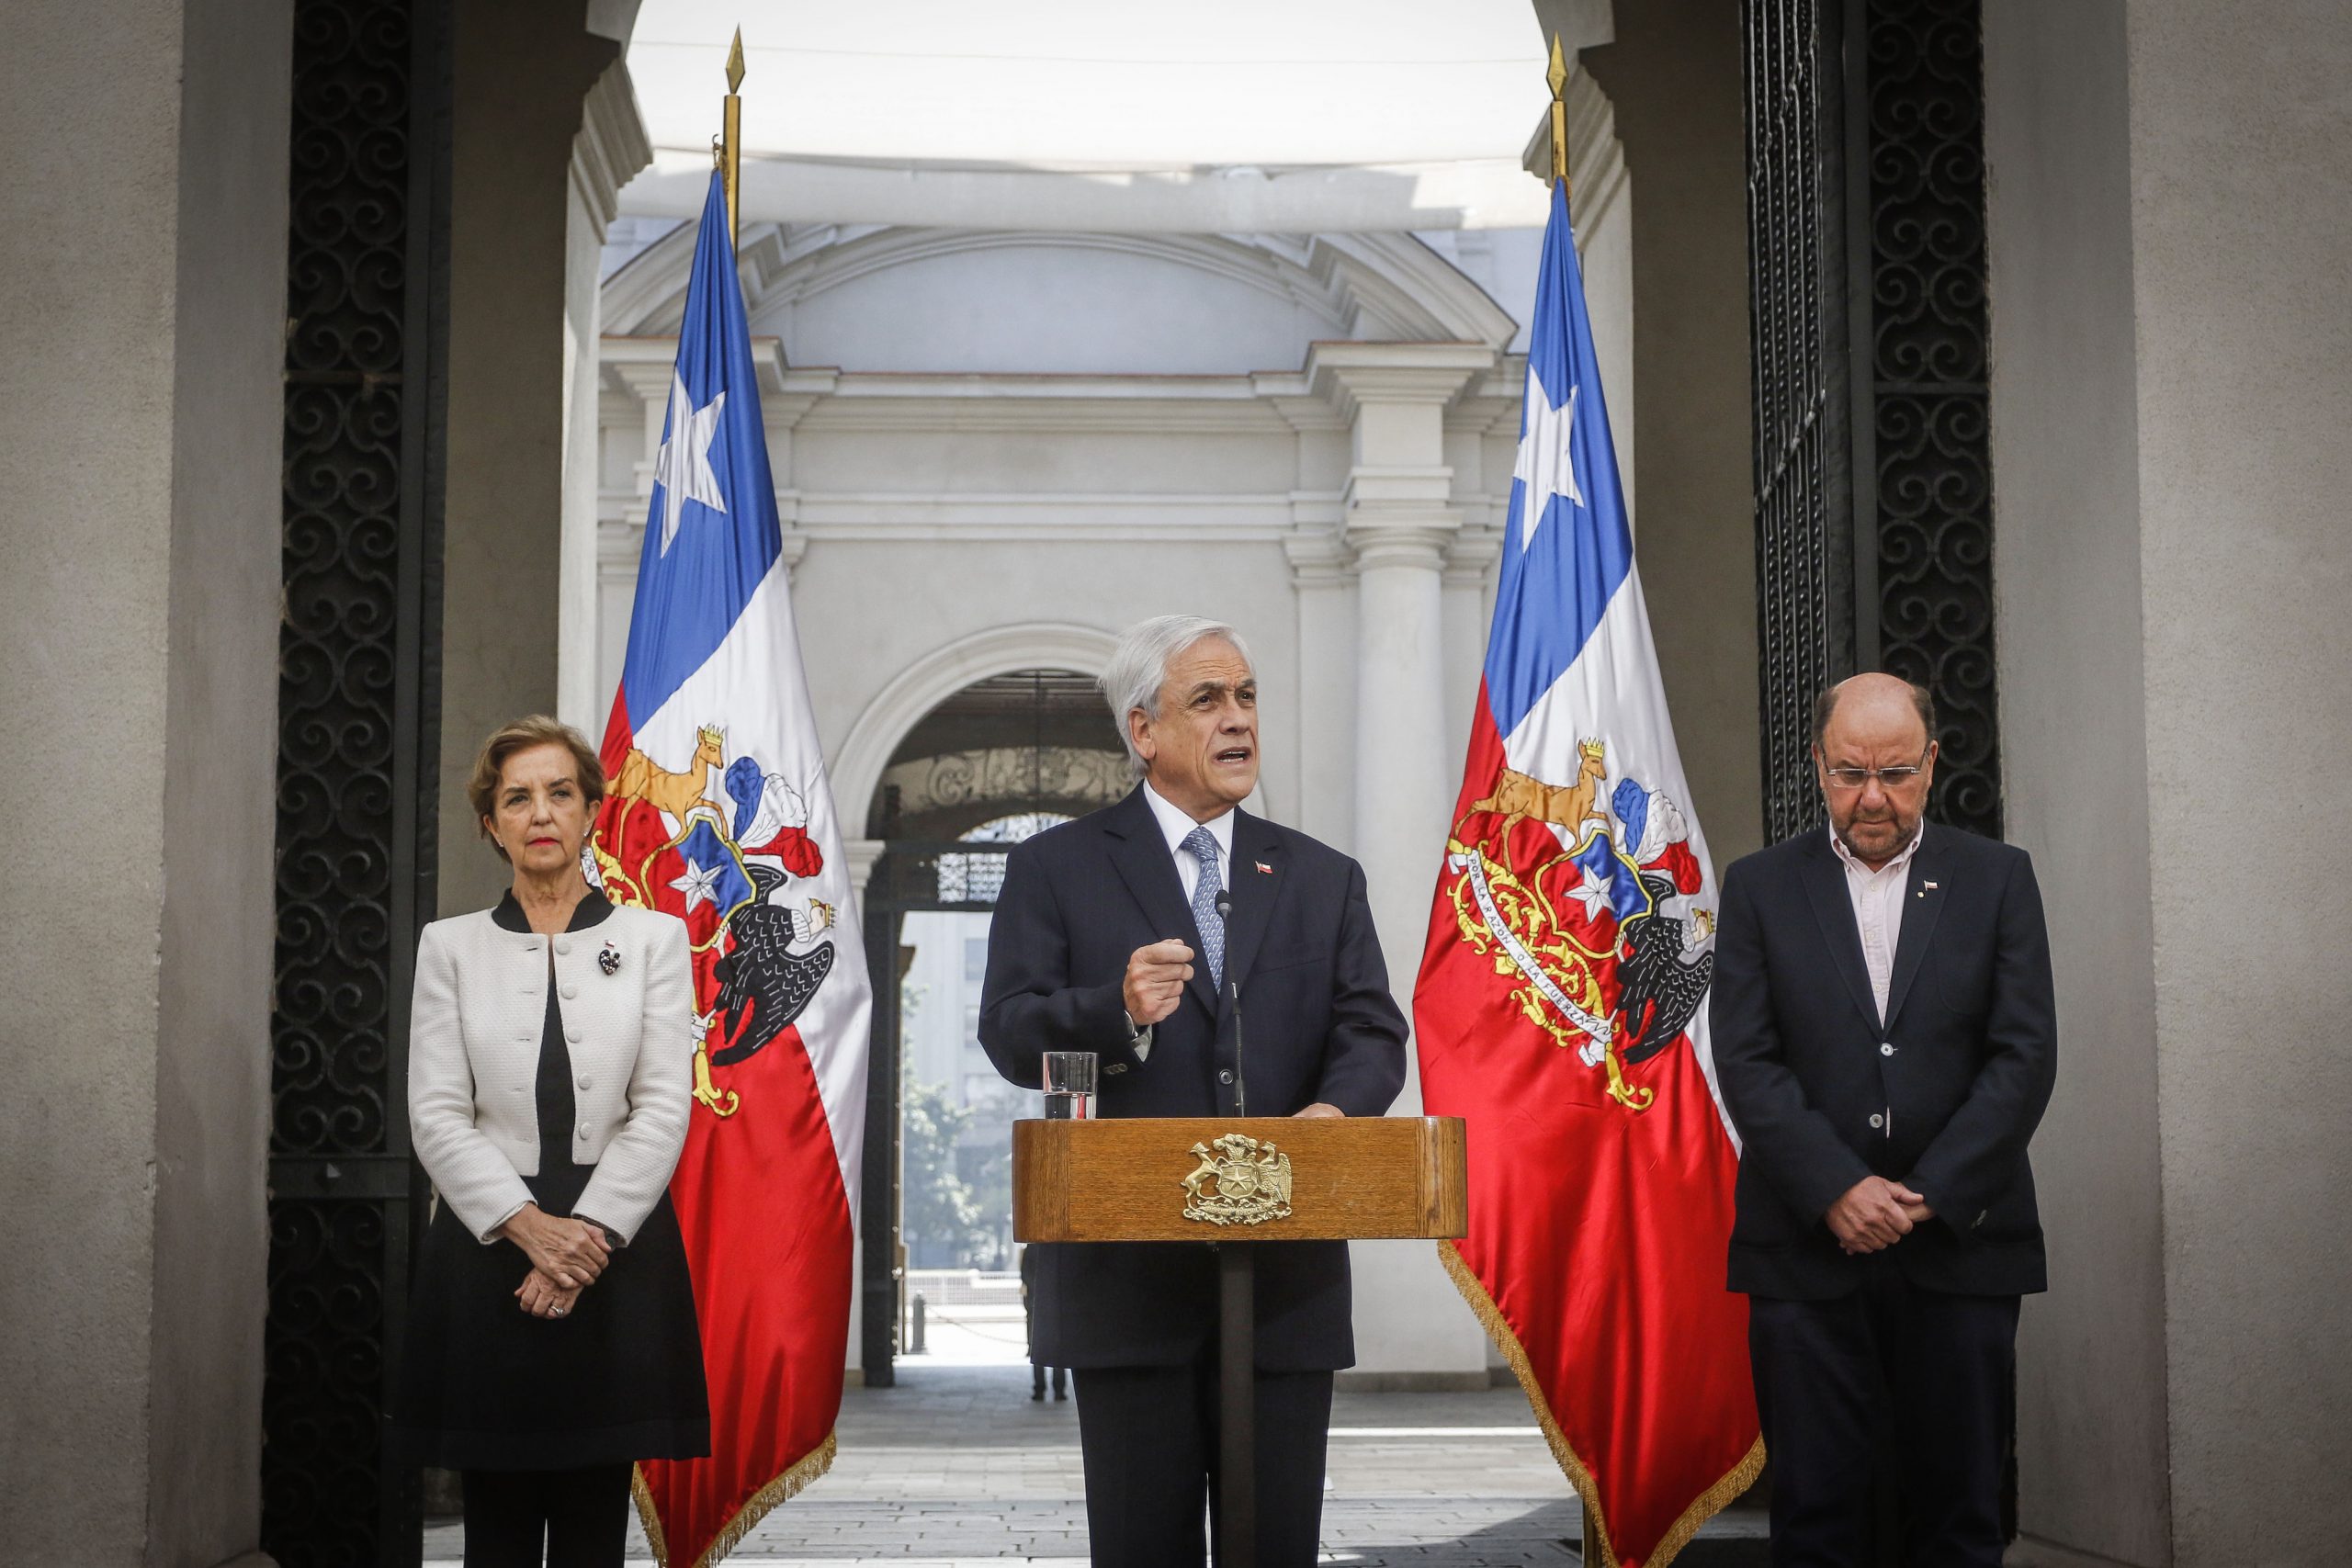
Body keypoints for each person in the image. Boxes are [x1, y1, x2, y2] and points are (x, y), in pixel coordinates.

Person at [978, 615, 1407, 1568]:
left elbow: (1372, 1030)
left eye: (1246, 695)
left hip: (1283, 1281)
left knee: (1276, 1548)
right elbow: (1008, 1031)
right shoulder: (1055, 869)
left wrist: (1331, 1119)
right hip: (1127, 1283)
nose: (1237, 718)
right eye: (1206, 699)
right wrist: (1116, 1008)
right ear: (1143, 731)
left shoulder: (1320, 878)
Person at [1710, 674, 2056, 1568]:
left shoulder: (1997, 879)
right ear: (1817, 768)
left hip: (1961, 1247)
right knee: (1816, 1517)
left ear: (1932, 764)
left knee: (1959, 1514)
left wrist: (1929, 1194)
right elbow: (1746, 1059)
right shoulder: (1756, 888)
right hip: (1803, 1253)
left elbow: (2022, 1057)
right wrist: (1835, 1188)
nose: (1872, 797)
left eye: (1896, 772)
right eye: (1849, 772)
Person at [391, 716, 710, 1568]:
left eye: (560, 793)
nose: (541, 813)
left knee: (591, 1519)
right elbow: (436, 1112)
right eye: (517, 797)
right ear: (491, 823)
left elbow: (662, 1108)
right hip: (488, 1249)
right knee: (492, 1521)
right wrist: (530, 1228)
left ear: (590, 813)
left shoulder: (653, 940)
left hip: (616, 1252)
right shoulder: (448, 947)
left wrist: (587, 1238)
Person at [1018, 1243, 1067, 1402]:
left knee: (1038, 1348)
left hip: (1037, 1304)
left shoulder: (1033, 1248)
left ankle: (1040, 1389)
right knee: (1057, 1349)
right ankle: (1058, 1390)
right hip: (1055, 1304)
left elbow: (1025, 1274)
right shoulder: (1059, 1248)